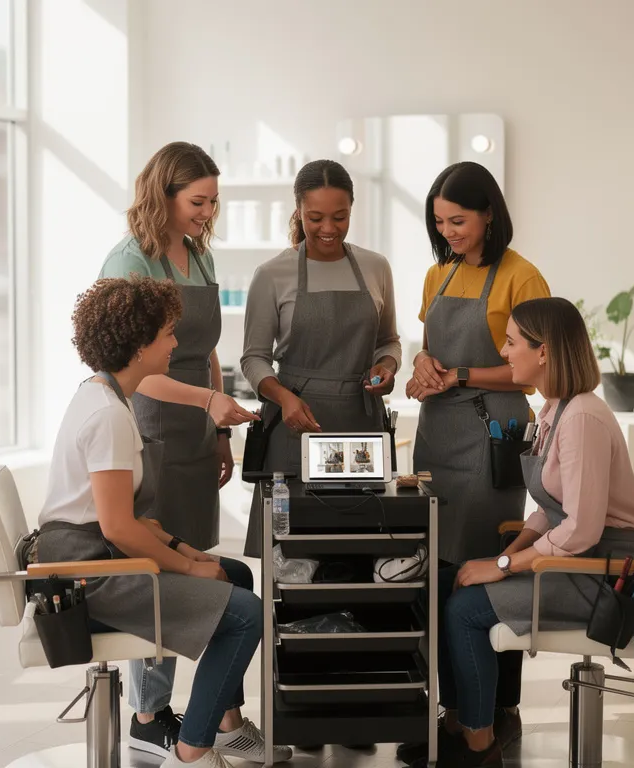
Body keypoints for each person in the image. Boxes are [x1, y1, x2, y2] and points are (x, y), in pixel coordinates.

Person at [35, 276, 289, 768]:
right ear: (138, 344)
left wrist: (184, 550)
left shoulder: (107, 396)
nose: (176, 343)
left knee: (236, 575)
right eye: (168, 333)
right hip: (89, 578)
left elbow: (132, 520)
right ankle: (192, 753)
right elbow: (118, 529)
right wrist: (191, 569)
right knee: (247, 614)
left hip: (96, 560)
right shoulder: (107, 416)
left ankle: (226, 727)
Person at [415, 298, 634, 768]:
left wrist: (503, 565)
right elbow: (552, 508)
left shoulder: (582, 418)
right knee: (442, 585)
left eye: (510, 343)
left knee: (464, 609)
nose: (504, 353)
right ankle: (457, 722)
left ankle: (480, 748)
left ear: (543, 351)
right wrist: (510, 551)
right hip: (579, 557)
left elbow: (581, 528)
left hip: (604, 573)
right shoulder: (555, 410)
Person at [97, 142, 258, 755]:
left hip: (195, 426)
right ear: (162, 194)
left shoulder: (198, 253)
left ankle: (222, 715)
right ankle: (149, 714)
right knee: (160, 571)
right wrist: (207, 403)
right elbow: (132, 369)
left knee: (197, 564)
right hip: (152, 426)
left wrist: (218, 429)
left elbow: (207, 348)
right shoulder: (129, 258)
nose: (207, 213)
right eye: (197, 201)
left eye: (213, 201)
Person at [398, 162, 549, 763]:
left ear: (489, 214)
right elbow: (429, 347)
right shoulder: (439, 273)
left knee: (485, 569)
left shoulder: (521, 276)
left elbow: (531, 368)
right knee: (437, 572)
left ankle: (498, 712)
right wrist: (422, 367)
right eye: (439, 222)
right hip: (438, 435)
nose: (448, 232)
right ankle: (454, 712)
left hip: (493, 435)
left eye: (457, 221)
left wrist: (459, 373)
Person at [240, 159, 402, 556]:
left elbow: (389, 341)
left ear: (351, 210)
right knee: (291, 554)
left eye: (339, 217)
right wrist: (283, 398)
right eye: (315, 218)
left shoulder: (376, 267)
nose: (328, 228)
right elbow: (254, 358)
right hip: (295, 425)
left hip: (361, 426)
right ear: (298, 210)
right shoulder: (272, 274)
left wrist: (387, 367)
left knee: (359, 549)